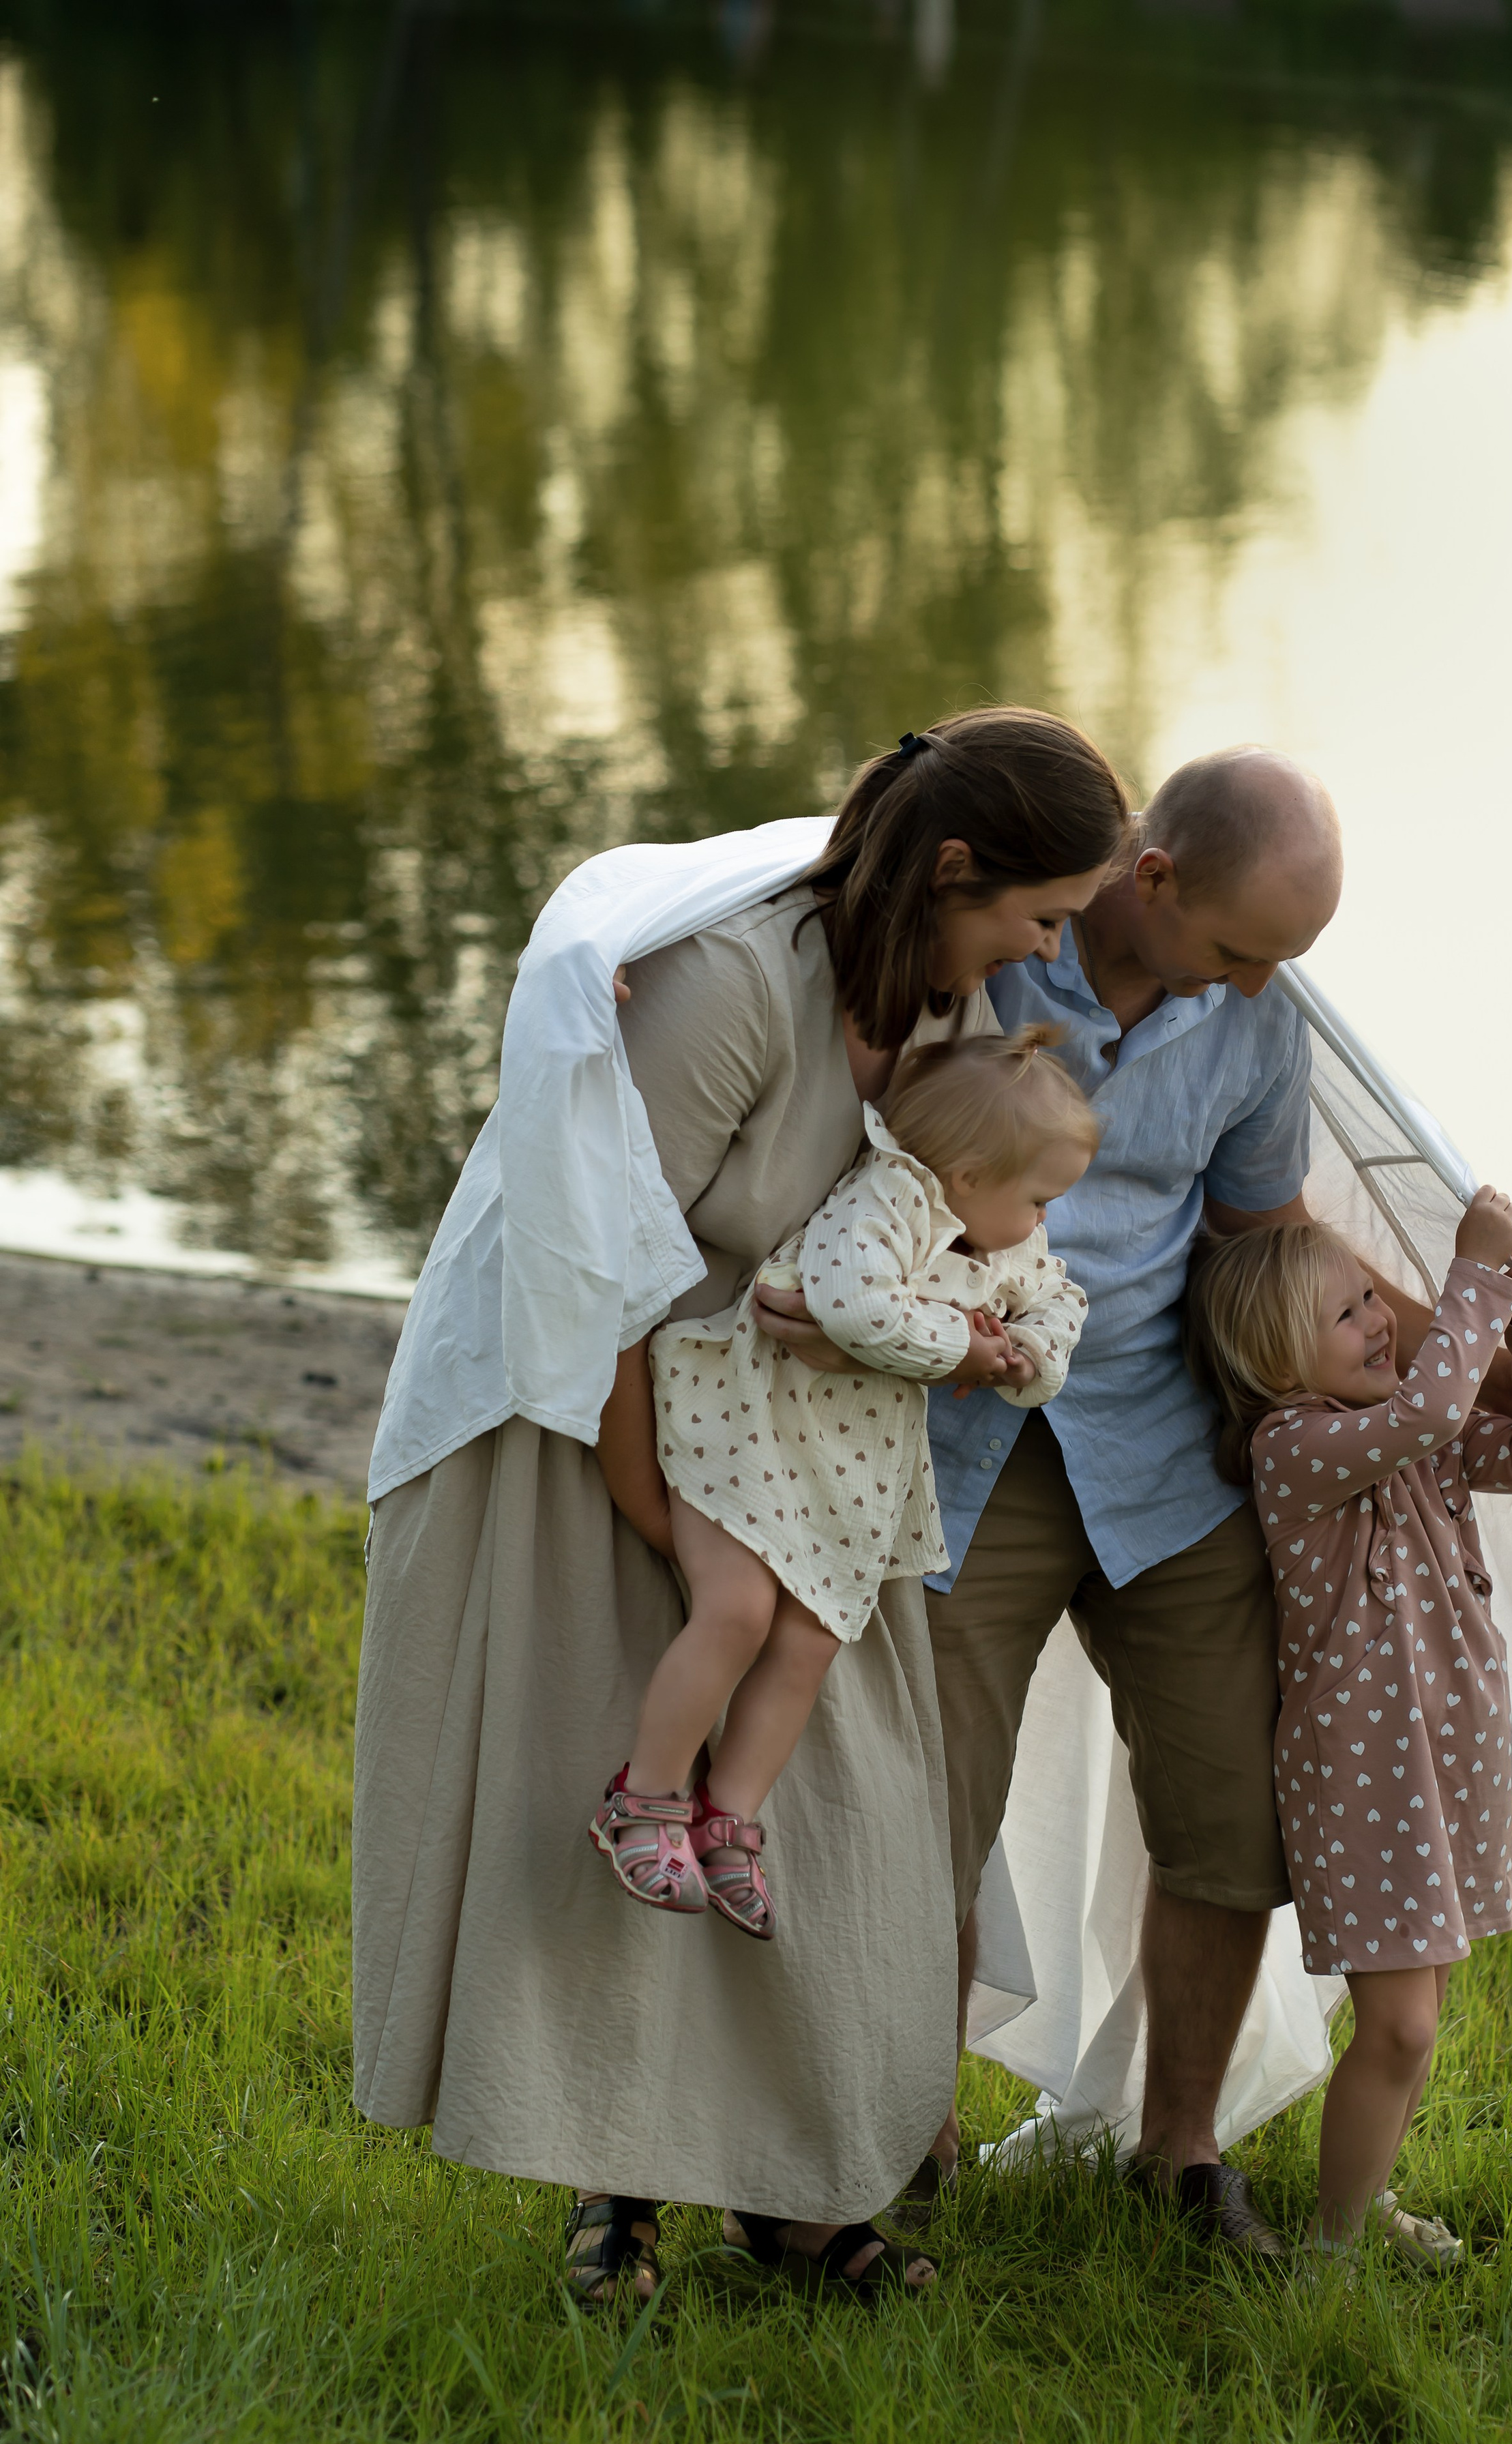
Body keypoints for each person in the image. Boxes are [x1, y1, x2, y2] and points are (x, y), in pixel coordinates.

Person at [755, 741, 1512, 2255]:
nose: (1249, 982)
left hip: (1172, 1459)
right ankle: (910, 2139)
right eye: (1235, 947)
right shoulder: (990, 958)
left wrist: (1466, 1350)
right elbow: (806, 965)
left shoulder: (1254, 1022)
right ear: (1146, 878)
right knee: (928, 1816)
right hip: (968, 1458)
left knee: (1227, 1812)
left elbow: (1265, 1238)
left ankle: (1179, 2150)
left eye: (1276, 963)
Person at [350, 706, 1129, 2314]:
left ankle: (797, 2193)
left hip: (817, 1461)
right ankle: (615, 2190)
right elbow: (598, 1267)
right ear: (957, 865)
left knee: (827, 1824)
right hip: (625, 1419)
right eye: (1039, 915)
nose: (1044, 955)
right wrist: (646, 1505)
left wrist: (975, 1339)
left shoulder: (940, 1000)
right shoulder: (722, 992)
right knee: (640, 1799)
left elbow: (944, 1225)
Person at [589, 1027, 1097, 1940]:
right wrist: (967, 1346)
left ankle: (728, 1818)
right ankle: (645, 1797)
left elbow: (1059, 1296)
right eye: (1039, 1198)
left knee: (813, 1636)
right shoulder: (887, 1200)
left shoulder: (1008, 1238)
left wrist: (1030, 1359)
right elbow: (853, 1307)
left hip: (847, 1460)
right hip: (751, 1423)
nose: (1044, 1221)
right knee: (738, 1610)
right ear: (971, 1177)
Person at [1181, 1190, 1512, 2263]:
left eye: (1374, 1299)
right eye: (1347, 1316)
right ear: (1277, 1365)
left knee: (1420, 2017)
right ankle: (1335, 2249)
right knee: (1399, 2022)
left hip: (1447, 1749)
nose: (1378, 1324)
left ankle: (1361, 2209)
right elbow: (1434, 1416)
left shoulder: (1407, 1426)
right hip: (1366, 1774)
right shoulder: (1296, 1447)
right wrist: (1475, 1279)